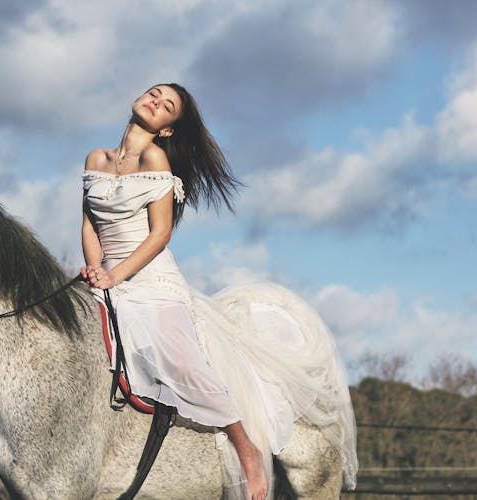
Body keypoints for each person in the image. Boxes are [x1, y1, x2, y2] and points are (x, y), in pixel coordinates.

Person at [80, 84, 357, 500]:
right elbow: (90, 224)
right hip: (108, 278)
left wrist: (115, 275)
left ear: (168, 130)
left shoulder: (154, 158)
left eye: (167, 106)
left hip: (152, 282)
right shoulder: (95, 158)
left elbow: (160, 235)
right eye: (154, 93)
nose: (156, 101)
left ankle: (245, 448)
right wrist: (94, 267)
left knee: (183, 363)